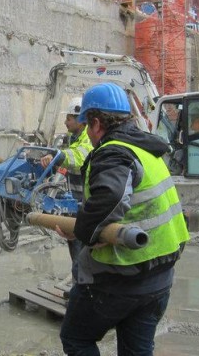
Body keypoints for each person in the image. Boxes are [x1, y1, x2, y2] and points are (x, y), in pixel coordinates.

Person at [58, 82, 189, 356]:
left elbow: (111, 198)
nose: (88, 135)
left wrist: (83, 231)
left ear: (95, 123)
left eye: (87, 127)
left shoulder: (113, 151)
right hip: (160, 275)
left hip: (122, 277)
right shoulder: (146, 150)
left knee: (76, 338)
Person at [40, 97, 93, 280]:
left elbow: (78, 159)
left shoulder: (89, 139)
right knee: (75, 247)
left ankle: (81, 289)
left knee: (81, 248)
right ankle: (78, 286)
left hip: (86, 202)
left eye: (69, 118)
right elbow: (65, 164)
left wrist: (57, 155)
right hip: (75, 201)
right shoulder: (72, 138)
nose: (65, 122)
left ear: (80, 119)